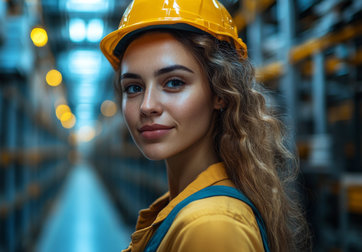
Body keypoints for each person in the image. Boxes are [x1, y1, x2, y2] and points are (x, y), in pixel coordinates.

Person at [100, 0, 308, 251]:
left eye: (174, 83)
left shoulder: (211, 226)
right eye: (133, 88)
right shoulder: (183, 206)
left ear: (220, 93)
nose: (147, 106)